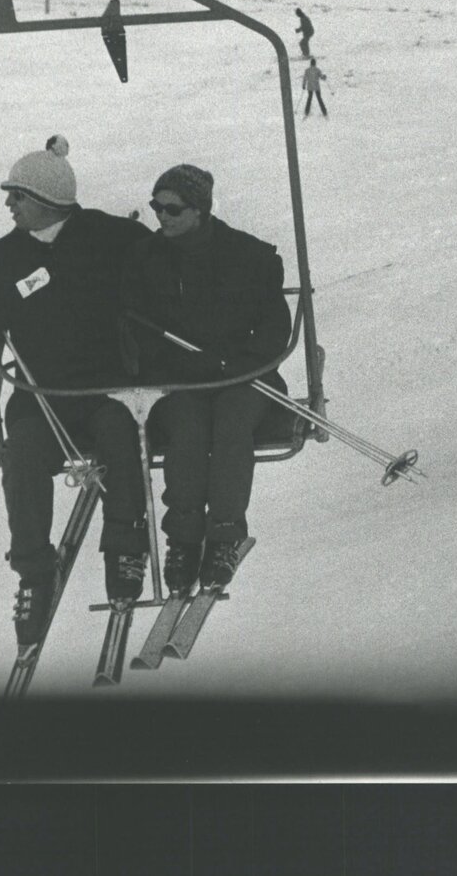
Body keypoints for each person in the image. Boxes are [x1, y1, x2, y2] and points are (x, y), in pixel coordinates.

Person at [0, 137, 152, 642]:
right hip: (40, 396)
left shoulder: (109, 237)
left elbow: (161, 267)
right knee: (21, 454)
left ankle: (126, 549)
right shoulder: (1, 260)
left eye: (16, 196)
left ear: (46, 199)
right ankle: (33, 574)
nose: (8, 206)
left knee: (119, 434)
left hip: (106, 385)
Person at [123, 165, 295, 594]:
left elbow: (275, 330)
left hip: (243, 379)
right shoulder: (147, 259)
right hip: (182, 381)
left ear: (199, 210)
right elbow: (139, 331)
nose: (161, 216)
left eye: (172, 209)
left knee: (232, 424)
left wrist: (239, 364)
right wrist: (176, 368)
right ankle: (183, 537)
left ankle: (223, 533)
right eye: (155, 206)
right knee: (187, 427)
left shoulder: (248, 257)